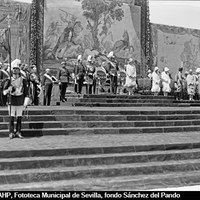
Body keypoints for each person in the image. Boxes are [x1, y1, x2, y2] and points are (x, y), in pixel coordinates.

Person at [3, 62, 29, 139]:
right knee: (11, 117)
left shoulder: (23, 80)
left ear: (19, 71)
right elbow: (4, 92)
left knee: (19, 117)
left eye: (17, 69)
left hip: (20, 100)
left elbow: (26, 91)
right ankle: (11, 132)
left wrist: (26, 100)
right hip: (12, 100)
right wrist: (8, 90)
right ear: (12, 71)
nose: (15, 71)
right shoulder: (9, 80)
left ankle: (18, 132)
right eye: (14, 69)